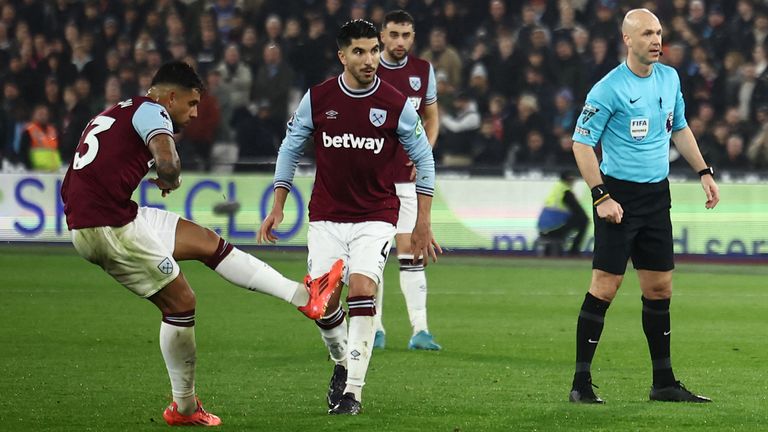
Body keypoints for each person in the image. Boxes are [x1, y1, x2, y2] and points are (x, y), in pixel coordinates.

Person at [60, 61, 344, 427]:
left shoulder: (118, 111)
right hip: (107, 227)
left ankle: (306, 298)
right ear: (171, 97)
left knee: (209, 244)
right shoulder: (153, 111)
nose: (194, 113)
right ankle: (185, 408)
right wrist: (170, 175)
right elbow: (168, 160)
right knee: (181, 302)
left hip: (110, 216)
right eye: (191, 104)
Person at [257, 20, 439, 415]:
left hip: (376, 214)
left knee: (361, 290)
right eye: (360, 51)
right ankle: (342, 361)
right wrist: (278, 204)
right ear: (342, 56)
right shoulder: (319, 98)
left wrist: (423, 222)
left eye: (374, 50)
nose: (370, 58)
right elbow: (290, 148)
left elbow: (425, 159)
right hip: (326, 216)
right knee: (321, 305)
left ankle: (353, 392)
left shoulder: (395, 104)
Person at [568, 9, 719, 404]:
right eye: (648, 34)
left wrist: (703, 170)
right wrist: (601, 195)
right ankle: (581, 384)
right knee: (606, 285)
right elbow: (581, 144)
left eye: (659, 32)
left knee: (659, 288)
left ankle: (664, 383)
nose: (656, 40)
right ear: (627, 40)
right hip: (618, 195)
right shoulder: (608, 88)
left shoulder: (669, 78)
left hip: (656, 196)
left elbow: (681, 126)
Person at [373, 9, 441, 351]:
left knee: (412, 251)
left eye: (406, 35)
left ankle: (420, 331)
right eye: (394, 34)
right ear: (382, 36)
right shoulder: (368, 67)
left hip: (407, 178)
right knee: (373, 254)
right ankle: (375, 328)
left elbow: (431, 117)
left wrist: (422, 154)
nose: (400, 41)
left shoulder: (423, 71)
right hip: (373, 180)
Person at [536, 171, 588, 256]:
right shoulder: (566, 191)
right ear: (568, 180)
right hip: (554, 229)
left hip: (543, 227)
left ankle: (570, 249)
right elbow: (579, 211)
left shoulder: (557, 188)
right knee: (584, 220)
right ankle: (574, 250)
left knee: (577, 219)